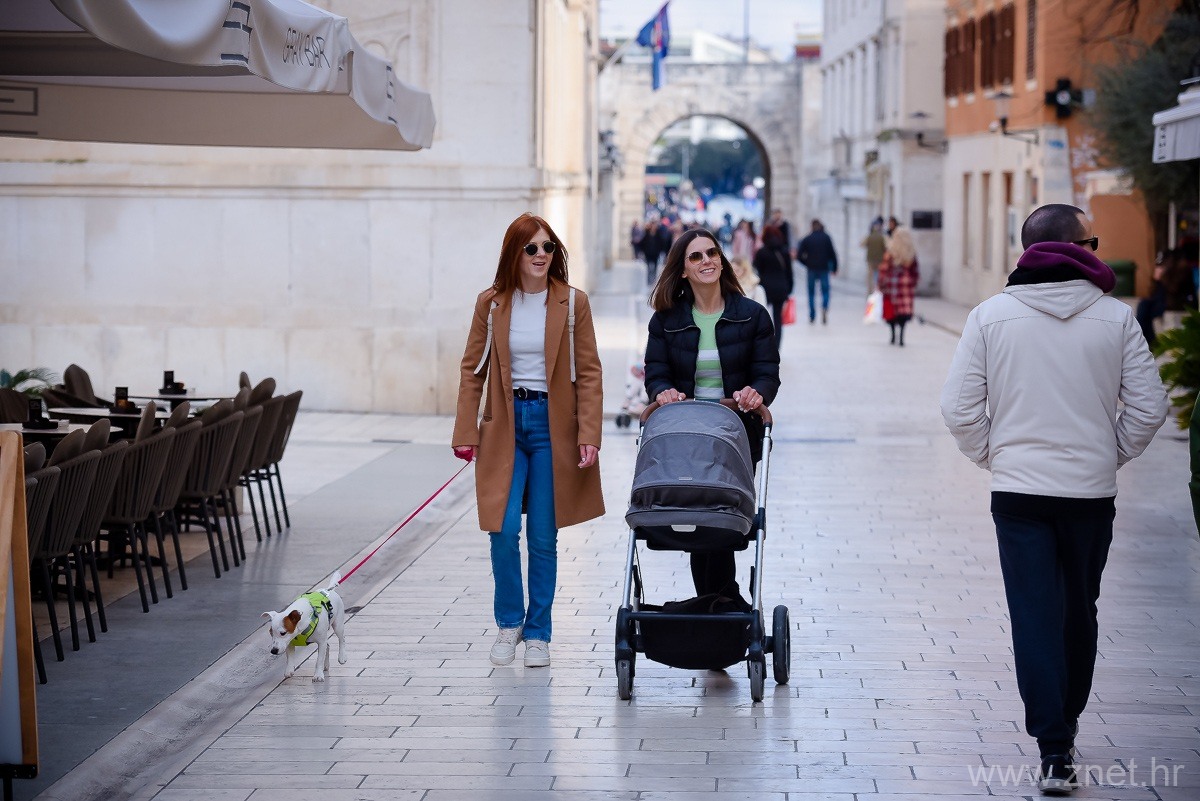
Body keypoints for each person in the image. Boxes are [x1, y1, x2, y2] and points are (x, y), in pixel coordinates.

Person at [939, 203, 1168, 796]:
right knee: (1079, 610)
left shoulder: (990, 316)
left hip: (1019, 494)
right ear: (1081, 249)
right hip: (1089, 495)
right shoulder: (1116, 318)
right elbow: (1149, 408)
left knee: (1034, 613)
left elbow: (958, 410)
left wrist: (998, 457)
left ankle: (1054, 748)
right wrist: (1106, 456)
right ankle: (1065, 724)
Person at [452, 212, 606, 669]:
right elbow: (472, 370)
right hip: (504, 424)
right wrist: (465, 431)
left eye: (548, 247)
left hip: (552, 426)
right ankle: (508, 623)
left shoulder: (572, 303)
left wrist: (589, 433)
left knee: (542, 536)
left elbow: (590, 373)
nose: (542, 255)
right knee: (502, 529)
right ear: (514, 254)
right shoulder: (491, 303)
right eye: (532, 248)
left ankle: (538, 634)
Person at [644, 228, 780, 601]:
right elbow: (656, 372)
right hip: (685, 436)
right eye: (696, 256)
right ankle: (720, 602)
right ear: (682, 269)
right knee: (700, 517)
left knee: (718, 515)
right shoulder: (666, 321)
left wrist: (756, 393)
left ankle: (717, 602)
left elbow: (767, 372)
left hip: (735, 435)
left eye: (712, 253)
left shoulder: (752, 316)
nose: (707, 260)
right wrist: (663, 391)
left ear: (722, 259)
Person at [753, 224, 794, 347]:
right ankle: (777, 346)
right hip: (781, 288)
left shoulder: (761, 252)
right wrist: (789, 288)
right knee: (778, 319)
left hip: (765, 288)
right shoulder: (784, 252)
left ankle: (765, 343)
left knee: (763, 317)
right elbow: (789, 273)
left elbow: (757, 270)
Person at [877, 226, 919, 346]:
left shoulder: (890, 252)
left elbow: (884, 269)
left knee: (892, 311)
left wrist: (881, 283)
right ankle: (901, 336)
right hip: (906, 285)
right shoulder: (911, 253)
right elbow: (915, 271)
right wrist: (913, 282)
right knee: (903, 312)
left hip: (892, 284)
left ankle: (893, 334)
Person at [796, 219, 838, 324]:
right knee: (825, 291)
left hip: (811, 269)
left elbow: (799, 255)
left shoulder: (807, 238)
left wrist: (806, 263)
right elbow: (832, 253)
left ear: (812, 226)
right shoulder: (826, 238)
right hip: (824, 268)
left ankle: (812, 315)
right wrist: (835, 267)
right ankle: (824, 306)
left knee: (811, 293)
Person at [640, 218, 670, 287]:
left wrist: (661, 251)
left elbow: (662, 243)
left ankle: (653, 280)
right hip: (648, 253)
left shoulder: (658, 234)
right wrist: (643, 251)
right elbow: (643, 243)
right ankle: (649, 280)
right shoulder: (647, 233)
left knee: (655, 267)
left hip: (656, 253)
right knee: (649, 267)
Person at [861, 220, 887, 292]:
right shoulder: (882, 237)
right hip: (879, 260)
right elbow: (886, 247)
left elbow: (862, 244)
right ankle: (879, 290)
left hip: (870, 259)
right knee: (880, 276)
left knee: (870, 277)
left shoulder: (869, 236)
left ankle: (870, 291)